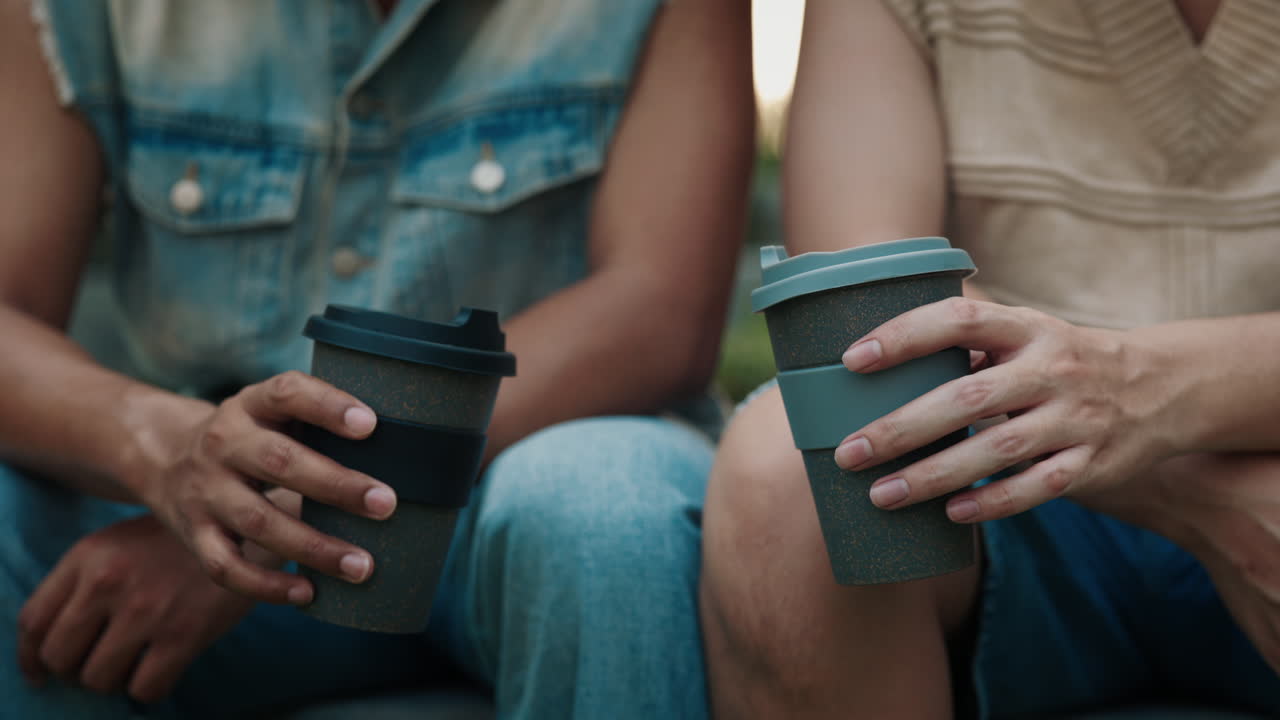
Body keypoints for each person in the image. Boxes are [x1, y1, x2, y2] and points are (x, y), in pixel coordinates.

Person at [0, 0, 754, 717]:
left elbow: (659, 313)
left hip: (517, 488)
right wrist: (167, 452)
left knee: (606, 511)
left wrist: (271, 504)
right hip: (198, 497)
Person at [700, 0, 1280, 717]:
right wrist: (1196, 496)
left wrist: (1138, 392)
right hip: (1012, 486)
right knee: (795, 483)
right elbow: (864, 302)